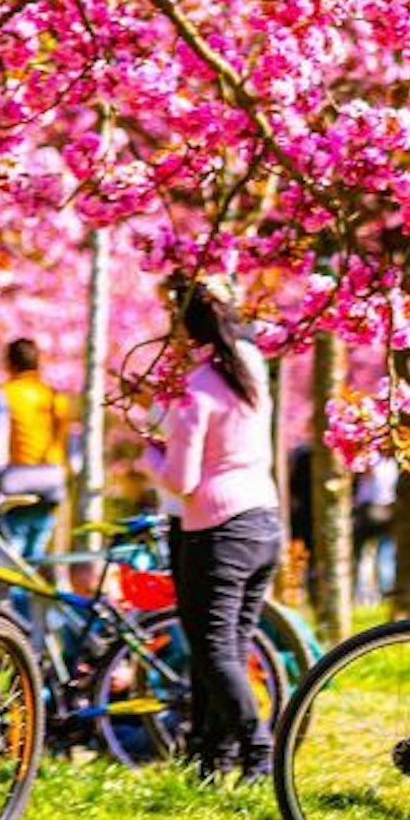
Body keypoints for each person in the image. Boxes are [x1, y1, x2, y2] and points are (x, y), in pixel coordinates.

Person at [141, 276, 283, 783]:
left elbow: (181, 480)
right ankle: (217, 758)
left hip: (218, 531)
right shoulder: (249, 371)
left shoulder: (194, 390)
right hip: (264, 520)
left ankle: (257, 747)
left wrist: (149, 452)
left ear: (186, 330)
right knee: (233, 645)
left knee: (214, 648)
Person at [0, 338, 73, 563]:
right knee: (36, 550)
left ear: (9, 363)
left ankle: (13, 587)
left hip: (18, 478)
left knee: (9, 550)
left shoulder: (5, 394)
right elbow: (69, 439)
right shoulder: (54, 395)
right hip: (52, 479)